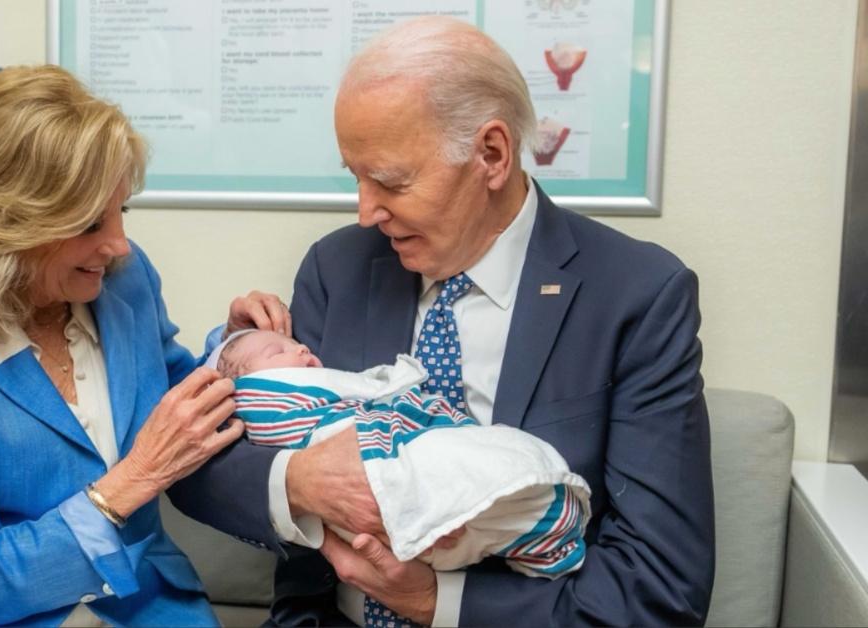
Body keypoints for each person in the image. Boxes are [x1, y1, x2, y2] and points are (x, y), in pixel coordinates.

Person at [170, 16, 715, 627]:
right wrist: (297, 475)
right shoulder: (339, 268)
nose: (366, 212)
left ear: (491, 154)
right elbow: (193, 471)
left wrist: (436, 603)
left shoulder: (635, 295)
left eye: (391, 181)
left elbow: (663, 584)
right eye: (356, 176)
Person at [0, 65, 249, 627]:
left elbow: (178, 394)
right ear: (7, 223)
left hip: (147, 603)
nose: (118, 243)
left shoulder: (124, 277)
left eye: (122, 211)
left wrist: (241, 346)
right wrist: (131, 480)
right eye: (90, 222)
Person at [210, 329, 590, 580]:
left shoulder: (632, 289)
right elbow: (195, 454)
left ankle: (535, 511)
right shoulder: (330, 271)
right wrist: (295, 479)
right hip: (344, 585)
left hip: (489, 596)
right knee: (449, 466)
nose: (302, 347)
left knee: (486, 454)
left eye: (293, 343)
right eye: (279, 349)